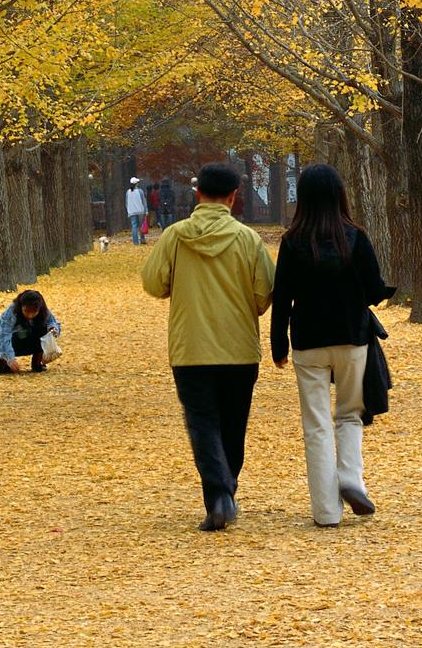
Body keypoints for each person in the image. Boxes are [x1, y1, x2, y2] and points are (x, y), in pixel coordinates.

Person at [142, 162, 275, 531]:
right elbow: (264, 293)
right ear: (233, 198)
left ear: (197, 194)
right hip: (239, 349)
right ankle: (226, 491)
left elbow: (153, 282)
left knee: (202, 423)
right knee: (233, 425)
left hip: (191, 349)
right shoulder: (247, 239)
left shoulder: (176, 236)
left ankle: (219, 496)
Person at [270, 164, 395, 527]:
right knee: (349, 414)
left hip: (308, 342)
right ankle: (352, 480)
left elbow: (283, 298)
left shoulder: (292, 242)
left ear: (303, 198)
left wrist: (279, 343)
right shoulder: (355, 237)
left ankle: (325, 511)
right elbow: (373, 292)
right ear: (340, 194)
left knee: (317, 424)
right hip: (351, 338)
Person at [0, 289, 62, 374]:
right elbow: (3, 335)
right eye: (26, 311)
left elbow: (52, 322)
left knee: (45, 329)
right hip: (14, 340)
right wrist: (10, 359)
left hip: (30, 340)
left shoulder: (43, 310)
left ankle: (37, 363)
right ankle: (5, 364)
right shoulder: (12, 311)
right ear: (21, 307)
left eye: (34, 312)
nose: (30, 316)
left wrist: (53, 330)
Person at [126, 176, 148, 246]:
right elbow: (144, 201)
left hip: (132, 212)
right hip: (140, 211)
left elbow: (126, 203)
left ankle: (135, 242)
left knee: (134, 226)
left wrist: (128, 210)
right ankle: (142, 239)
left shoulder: (128, 192)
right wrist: (146, 210)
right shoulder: (140, 191)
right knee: (141, 226)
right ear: (136, 184)